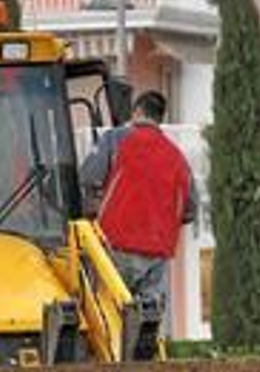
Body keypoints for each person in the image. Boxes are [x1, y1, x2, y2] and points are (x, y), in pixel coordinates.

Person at [80, 91, 197, 330]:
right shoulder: (178, 157)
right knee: (146, 325)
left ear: (137, 112)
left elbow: (88, 177)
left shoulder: (115, 139)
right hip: (157, 254)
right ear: (160, 118)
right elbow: (189, 210)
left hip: (115, 246)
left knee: (107, 319)